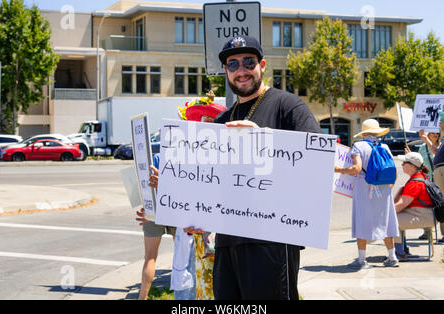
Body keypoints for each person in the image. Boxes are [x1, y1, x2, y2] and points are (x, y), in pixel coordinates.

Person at [195, 35, 323, 300]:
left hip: (273, 242)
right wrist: (179, 195)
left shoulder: (288, 106)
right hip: (227, 242)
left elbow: (318, 162)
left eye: (248, 62)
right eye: (233, 64)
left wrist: (266, 140)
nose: (241, 70)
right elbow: (209, 182)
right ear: (225, 71)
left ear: (262, 65)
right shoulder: (221, 121)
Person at [137, 94, 226, 300]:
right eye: (203, 122)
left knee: (210, 289)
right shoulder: (179, 157)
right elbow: (180, 206)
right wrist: (153, 212)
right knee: (187, 290)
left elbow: (214, 196)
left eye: (213, 122)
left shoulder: (222, 159)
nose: (207, 127)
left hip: (213, 242)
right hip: (187, 240)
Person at [334, 119, 400, 269]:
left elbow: (356, 169)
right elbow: (394, 173)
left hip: (364, 187)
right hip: (383, 188)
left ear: (364, 132)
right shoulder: (384, 146)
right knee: (386, 219)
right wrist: (387, 186)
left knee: (362, 219)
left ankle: (362, 260)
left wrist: (339, 170)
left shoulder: (359, 146)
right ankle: (392, 257)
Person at [135, 153, 176, 300]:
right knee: (181, 256)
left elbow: (143, 185)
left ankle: (142, 297)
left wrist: (146, 207)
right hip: (177, 209)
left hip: (153, 210)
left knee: (150, 257)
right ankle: (181, 294)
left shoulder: (155, 157)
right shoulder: (184, 157)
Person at [393, 152, 436, 260]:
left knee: (391, 221)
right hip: (426, 215)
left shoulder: (415, 182)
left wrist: (384, 212)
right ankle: (403, 248)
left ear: (412, 166)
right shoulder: (420, 177)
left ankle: (399, 253)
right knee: (395, 217)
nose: (402, 165)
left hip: (423, 216)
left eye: (404, 163)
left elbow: (401, 205)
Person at [405, 129, 440, 240]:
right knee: (427, 205)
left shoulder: (441, 146)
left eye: (437, 132)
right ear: (428, 133)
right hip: (428, 181)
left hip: (440, 179)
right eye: (433, 132)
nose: (436, 134)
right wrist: (411, 157)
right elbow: (420, 165)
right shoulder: (422, 148)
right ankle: (427, 231)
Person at [431, 115, 444, 244]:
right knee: (441, 201)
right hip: (439, 169)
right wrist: (425, 139)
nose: (439, 124)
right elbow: (436, 151)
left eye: (442, 122)